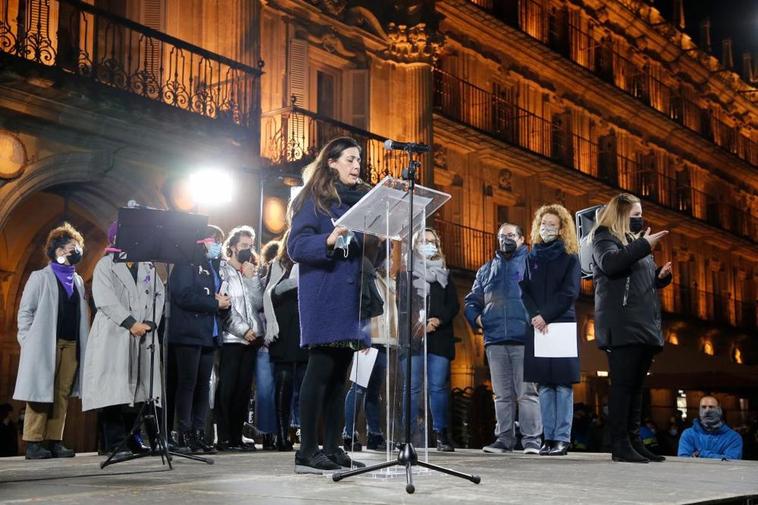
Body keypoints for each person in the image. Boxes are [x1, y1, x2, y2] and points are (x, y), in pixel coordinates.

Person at [287, 136, 371, 473]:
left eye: (359, 160)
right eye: (350, 159)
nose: (356, 166)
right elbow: (296, 246)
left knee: (340, 378)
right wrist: (328, 239)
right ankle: (307, 451)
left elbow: (365, 249)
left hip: (352, 297)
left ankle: (333, 447)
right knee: (320, 371)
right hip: (324, 295)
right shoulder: (314, 199)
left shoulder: (363, 202)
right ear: (332, 162)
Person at [590, 193, 672, 463]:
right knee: (623, 385)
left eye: (640, 214)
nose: (640, 219)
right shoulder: (603, 236)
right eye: (635, 215)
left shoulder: (633, 242)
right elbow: (611, 264)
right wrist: (644, 245)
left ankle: (635, 440)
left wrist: (659, 278)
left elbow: (637, 280)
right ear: (621, 214)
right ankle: (620, 444)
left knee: (637, 386)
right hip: (622, 323)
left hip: (643, 323)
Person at [82, 221, 164, 457]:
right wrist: (130, 323)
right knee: (113, 390)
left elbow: (160, 293)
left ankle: (133, 438)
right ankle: (114, 443)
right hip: (115, 333)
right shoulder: (105, 265)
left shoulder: (147, 267)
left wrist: (150, 322)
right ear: (117, 239)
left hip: (142, 334)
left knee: (138, 391)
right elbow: (105, 299)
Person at [13, 222, 90, 459]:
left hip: (71, 343)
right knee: (40, 392)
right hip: (46, 344)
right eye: (70, 246)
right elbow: (25, 313)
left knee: (62, 393)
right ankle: (34, 442)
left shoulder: (77, 281)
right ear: (58, 250)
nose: (75, 250)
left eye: (77, 246)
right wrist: (28, 342)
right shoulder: (40, 277)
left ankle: (55, 439)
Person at [464, 223, 542, 454]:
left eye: (510, 235)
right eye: (501, 236)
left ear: (521, 238)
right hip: (495, 339)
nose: (505, 240)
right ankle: (504, 439)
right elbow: (471, 301)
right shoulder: (486, 270)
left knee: (527, 392)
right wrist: (478, 320)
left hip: (524, 336)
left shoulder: (532, 263)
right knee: (502, 394)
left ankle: (531, 441)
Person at [520, 204, 581, 456]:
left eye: (552, 225)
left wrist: (545, 315)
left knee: (563, 385)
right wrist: (535, 315)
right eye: (543, 224)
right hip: (537, 325)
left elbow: (570, 292)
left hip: (561, 323)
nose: (546, 228)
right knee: (544, 384)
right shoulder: (530, 257)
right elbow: (524, 289)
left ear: (562, 228)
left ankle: (562, 439)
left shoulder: (570, 256)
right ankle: (548, 438)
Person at [168, 224, 229, 454]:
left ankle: (198, 432)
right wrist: (214, 302)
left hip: (208, 333)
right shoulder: (185, 264)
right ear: (200, 241)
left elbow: (212, 294)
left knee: (204, 386)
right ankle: (183, 433)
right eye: (214, 239)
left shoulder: (211, 266)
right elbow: (183, 295)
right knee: (187, 384)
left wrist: (222, 302)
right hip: (188, 333)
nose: (217, 244)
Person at [402, 228, 459, 452]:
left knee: (437, 387)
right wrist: (417, 325)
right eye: (423, 241)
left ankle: (441, 434)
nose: (428, 244)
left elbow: (453, 305)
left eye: (432, 241)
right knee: (413, 388)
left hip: (440, 336)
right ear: (415, 245)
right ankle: (409, 435)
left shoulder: (445, 273)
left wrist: (438, 320)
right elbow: (402, 305)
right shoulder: (406, 272)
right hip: (414, 336)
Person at [215, 225, 263, 451]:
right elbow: (225, 308)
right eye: (243, 246)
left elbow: (258, 304)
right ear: (232, 247)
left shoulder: (250, 271)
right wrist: (243, 329)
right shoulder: (222, 270)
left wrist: (252, 278)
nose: (247, 249)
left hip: (251, 340)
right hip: (232, 338)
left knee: (244, 389)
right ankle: (224, 435)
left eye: (250, 246)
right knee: (228, 388)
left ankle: (237, 434)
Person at [264, 232, 308, 451]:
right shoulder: (278, 264)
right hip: (282, 329)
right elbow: (271, 293)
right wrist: (292, 284)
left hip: (304, 328)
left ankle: (302, 435)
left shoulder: (311, 262)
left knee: (304, 386)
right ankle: (281, 435)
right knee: (284, 383)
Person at [678, 396, 743, 460]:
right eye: (703, 407)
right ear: (699, 410)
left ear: (719, 410)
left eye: (711, 407)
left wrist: (701, 454)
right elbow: (684, 461)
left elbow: (731, 462)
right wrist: (719, 457)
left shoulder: (733, 437)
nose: (707, 411)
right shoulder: (688, 434)